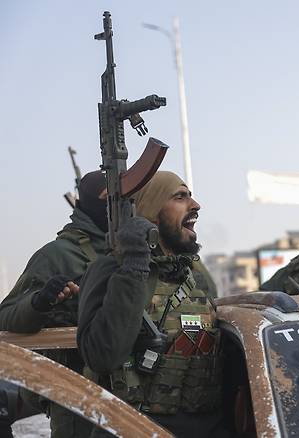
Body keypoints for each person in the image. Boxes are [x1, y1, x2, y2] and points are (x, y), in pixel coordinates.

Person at [77, 171, 223, 437]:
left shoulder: (195, 277)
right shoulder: (112, 269)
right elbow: (103, 355)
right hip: (137, 429)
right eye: (180, 196)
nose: (195, 205)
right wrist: (134, 263)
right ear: (152, 211)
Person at [0, 170, 108, 438]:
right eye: (110, 198)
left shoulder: (141, 249)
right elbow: (5, 317)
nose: (122, 205)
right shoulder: (58, 255)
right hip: (76, 395)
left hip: (136, 392)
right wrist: (39, 303)